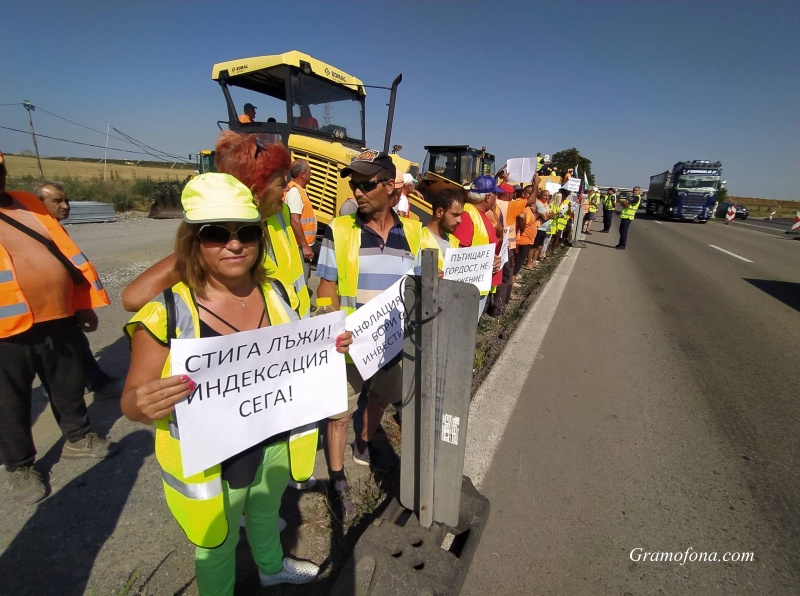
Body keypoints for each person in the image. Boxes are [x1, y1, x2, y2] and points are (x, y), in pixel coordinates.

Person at [122, 173, 351, 591]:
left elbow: (295, 353)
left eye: (246, 232)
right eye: (215, 233)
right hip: (214, 460)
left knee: (266, 510)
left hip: (274, 439)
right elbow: (131, 403)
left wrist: (328, 343)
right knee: (218, 541)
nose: (234, 243)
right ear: (192, 240)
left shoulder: (277, 293)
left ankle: (270, 567)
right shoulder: (164, 314)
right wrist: (145, 402)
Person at [0, 151, 118, 505]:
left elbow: (65, 254)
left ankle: (78, 438)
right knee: (9, 400)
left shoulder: (27, 204)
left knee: (67, 383)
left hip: (58, 315)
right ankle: (20, 466)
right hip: (6, 328)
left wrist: (82, 303)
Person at [316, 149, 422, 522]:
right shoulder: (339, 229)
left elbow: (420, 283)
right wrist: (332, 323)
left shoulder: (413, 230)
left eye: (367, 184)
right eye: (354, 184)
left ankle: (364, 444)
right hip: (348, 347)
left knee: (380, 398)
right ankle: (337, 477)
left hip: (393, 342)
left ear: (390, 186)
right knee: (339, 414)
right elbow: (326, 287)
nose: (358, 191)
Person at [123, 132, 311, 320]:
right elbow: (133, 298)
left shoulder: (281, 212)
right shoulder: (217, 238)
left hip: (296, 335)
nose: (287, 188)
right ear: (255, 193)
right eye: (280, 183)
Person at [30, 180, 115, 392]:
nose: (66, 205)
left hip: (65, 304)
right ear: (36, 203)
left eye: (67, 200)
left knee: (75, 342)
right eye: (57, 201)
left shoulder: (54, 230)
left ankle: (95, 379)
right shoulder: (33, 233)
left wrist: (82, 306)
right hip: (45, 310)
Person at [453, 175, 503, 320]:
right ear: (488, 197)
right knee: (465, 327)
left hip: (478, 284)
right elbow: (460, 253)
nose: (497, 198)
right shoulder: (468, 215)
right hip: (471, 288)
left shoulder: (478, 214)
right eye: (495, 194)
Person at [284, 160, 317, 283]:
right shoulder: (294, 193)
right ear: (302, 174)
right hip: (298, 247)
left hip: (300, 245)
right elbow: (295, 221)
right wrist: (305, 246)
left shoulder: (298, 190)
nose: (311, 174)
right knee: (300, 283)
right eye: (309, 171)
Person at [420, 188, 463, 271]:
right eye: (455, 215)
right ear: (439, 212)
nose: (459, 221)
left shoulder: (454, 242)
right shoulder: (419, 239)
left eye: (460, 215)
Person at [514, 186, 540, 272]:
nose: (533, 196)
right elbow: (521, 217)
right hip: (522, 241)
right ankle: (512, 281)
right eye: (530, 193)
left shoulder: (528, 206)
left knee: (517, 266)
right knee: (515, 267)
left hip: (527, 241)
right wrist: (522, 228)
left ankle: (514, 278)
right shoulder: (520, 204)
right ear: (523, 194)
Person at [616, 186, 642, 250]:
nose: (634, 191)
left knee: (624, 231)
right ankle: (620, 243)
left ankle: (623, 245)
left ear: (639, 191)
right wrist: (624, 203)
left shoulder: (636, 197)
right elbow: (624, 203)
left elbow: (625, 203)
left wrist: (624, 203)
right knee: (621, 230)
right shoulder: (632, 196)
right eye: (634, 190)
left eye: (636, 190)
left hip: (628, 216)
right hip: (624, 216)